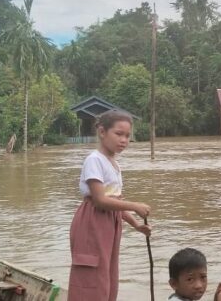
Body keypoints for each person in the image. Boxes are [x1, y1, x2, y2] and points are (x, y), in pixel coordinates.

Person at [68, 110, 151, 301]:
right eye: (119, 134)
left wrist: (136, 224)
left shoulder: (113, 163)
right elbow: (99, 200)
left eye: (128, 136)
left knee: (108, 272)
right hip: (92, 223)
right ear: (102, 132)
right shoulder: (94, 160)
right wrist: (135, 205)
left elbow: (116, 203)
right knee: (91, 273)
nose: (124, 140)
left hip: (110, 223)